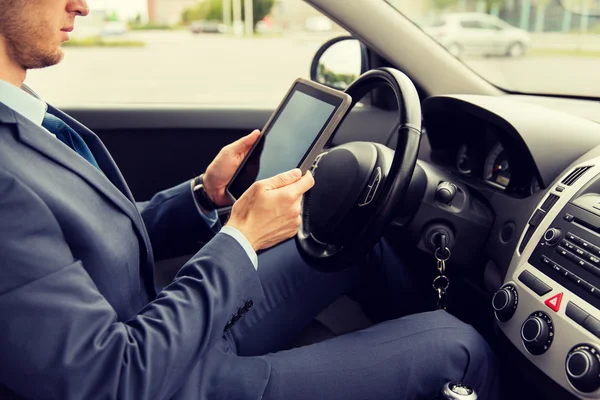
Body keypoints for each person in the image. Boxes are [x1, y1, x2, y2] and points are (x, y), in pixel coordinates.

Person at [0, 1, 500, 399]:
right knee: (460, 347)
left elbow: (94, 239)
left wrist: (204, 194)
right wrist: (241, 238)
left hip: (170, 327)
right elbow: (112, 380)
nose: (81, 6)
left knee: (352, 237)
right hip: (167, 378)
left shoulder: (23, 115)